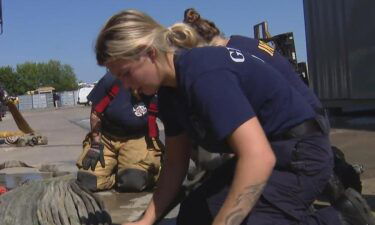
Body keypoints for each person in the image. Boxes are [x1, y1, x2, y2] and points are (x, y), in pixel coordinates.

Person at [94, 9, 374, 225]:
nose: (127, 86)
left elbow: (259, 157)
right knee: (193, 216)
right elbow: (175, 163)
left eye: (126, 74)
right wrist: (147, 219)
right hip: (269, 153)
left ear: (150, 53)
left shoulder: (202, 73)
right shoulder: (169, 93)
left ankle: (340, 218)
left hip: (300, 156)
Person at [76, 72, 163, 192]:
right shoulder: (112, 80)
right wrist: (96, 144)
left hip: (137, 138)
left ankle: (151, 172)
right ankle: (118, 172)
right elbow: (95, 114)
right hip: (106, 138)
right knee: (87, 181)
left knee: (133, 182)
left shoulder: (157, 87)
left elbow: (174, 124)